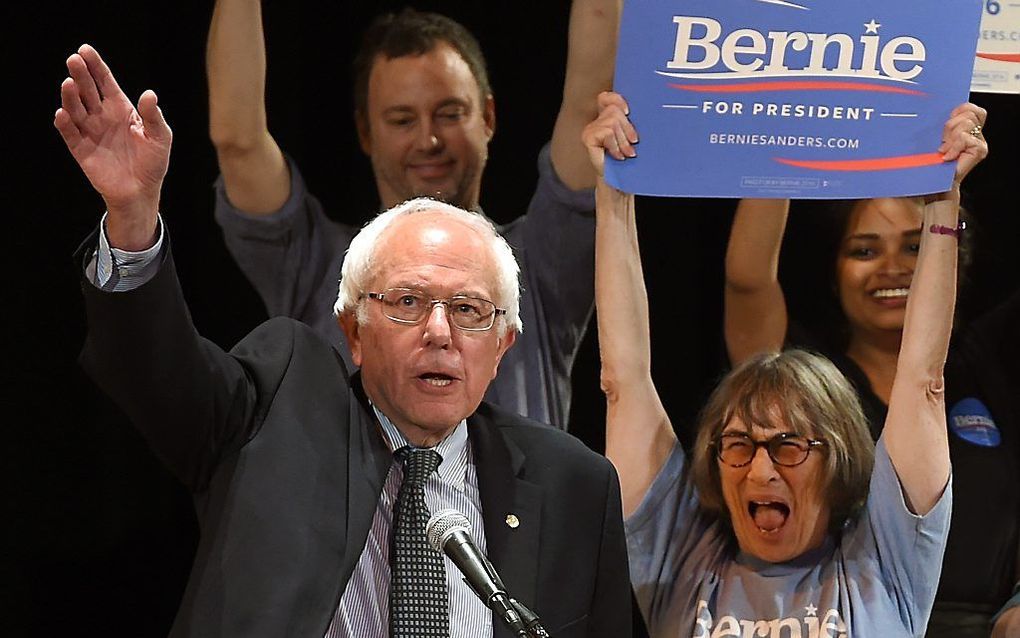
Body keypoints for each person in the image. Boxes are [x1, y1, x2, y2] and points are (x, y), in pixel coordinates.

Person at [56, 44, 631, 637]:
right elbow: (156, 373)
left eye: (467, 310)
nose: (441, 333)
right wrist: (131, 213)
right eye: (408, 303)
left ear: (504, 344)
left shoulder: (575, 487)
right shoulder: (273, 413)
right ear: (353, 330)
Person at [583, 91, 987, 636]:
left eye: (790, 445)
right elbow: (623, 381)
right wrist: (613, 191)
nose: (760, 469)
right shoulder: (679, 559)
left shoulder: (884, 560)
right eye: (740, 444)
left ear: (838, 460)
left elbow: (923, 382)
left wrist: (944, 199)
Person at [205, 1, 619, 429]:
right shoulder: (314, 265)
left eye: (450, 113)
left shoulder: (537, 266)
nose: (429, 139)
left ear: (488, 117)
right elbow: (239, 141)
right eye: (402, 120)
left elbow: (592, 104)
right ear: (366, 132)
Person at [724, 119, 1020, 635]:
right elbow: (748, 281)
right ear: (834, 271)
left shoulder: (990, 362)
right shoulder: (805, 384)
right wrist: (781, 126)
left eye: (913, 245)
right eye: (865, 250)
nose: (892, 267)